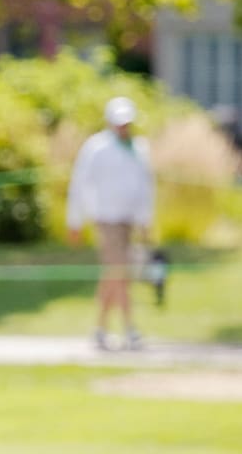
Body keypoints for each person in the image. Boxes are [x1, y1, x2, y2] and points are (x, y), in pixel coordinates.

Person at [66, 96, 155, 350]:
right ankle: (129, 327)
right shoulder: (97, 147)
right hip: (106, 220)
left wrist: (145, 221)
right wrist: (75, 220)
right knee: (120, 272)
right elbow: (80, 184)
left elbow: (145, 187)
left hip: (129, 221)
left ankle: (101, 327)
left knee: (113, 274)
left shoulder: (139, 148)